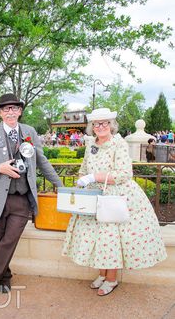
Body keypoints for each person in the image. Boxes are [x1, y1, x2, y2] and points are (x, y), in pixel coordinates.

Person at [62, 108, 167, 296]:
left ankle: (111, 279)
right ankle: (102, 275)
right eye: (97, 123)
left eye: (105, 123)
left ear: (111, 125)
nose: (101, 126)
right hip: (94, 196)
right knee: (98, 238)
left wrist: (95, 176)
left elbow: (124, 174)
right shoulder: (91, 144)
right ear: (92, 126)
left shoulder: (118, 144)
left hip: (114, 197)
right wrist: (82, 179)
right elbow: (84, 167)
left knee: (111, 239)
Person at [0, 93, 62, 299]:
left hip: (21, 198)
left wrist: (61, 186)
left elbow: (42, 161)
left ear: (20, 111)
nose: (10, 112)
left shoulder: (29, 131)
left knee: (10, 239)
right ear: (0, 113)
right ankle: (4, 277)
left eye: (14, 108)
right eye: (6, 109)